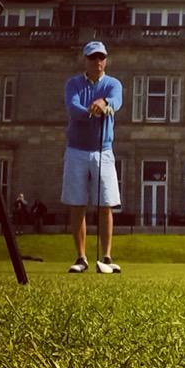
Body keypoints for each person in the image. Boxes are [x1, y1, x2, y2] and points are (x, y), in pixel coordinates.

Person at [63, 41, 123, 274]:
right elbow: (72, 108)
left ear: (105, 60)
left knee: (105, 204)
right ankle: (81, 258)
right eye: (92, 58)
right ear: (85, 60)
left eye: (101, 58)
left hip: (103, 151)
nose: (97, 62)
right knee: (78, 204)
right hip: (76, 149)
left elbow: (117, 101)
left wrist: (105, 103)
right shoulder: (74, 84)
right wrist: (93, 110)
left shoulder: (113, 84)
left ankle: (106, 257)